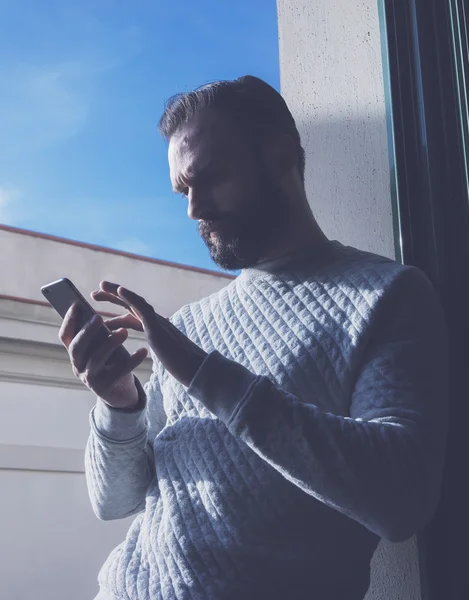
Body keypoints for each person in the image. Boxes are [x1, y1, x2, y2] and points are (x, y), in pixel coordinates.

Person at [59, 76, 448, 600]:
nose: (194, 209)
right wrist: (120, 406)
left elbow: (402, 498)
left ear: (282, 154)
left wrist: (204, 373)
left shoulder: (386, 294)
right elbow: (114, 502)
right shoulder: (192, 324)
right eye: (182, 191)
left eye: (211, 177)